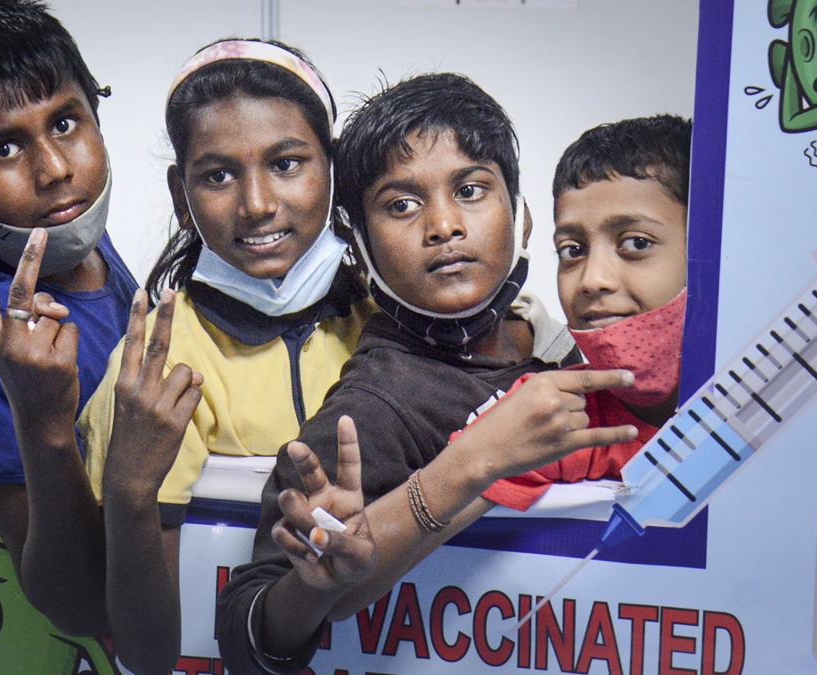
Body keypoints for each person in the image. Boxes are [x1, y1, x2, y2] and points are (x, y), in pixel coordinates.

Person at [216, 72, 639, 675]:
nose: (443, 225)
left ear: (520, 219)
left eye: (471, 190)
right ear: (360, 246)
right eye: (402, 205)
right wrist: (317, 585)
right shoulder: (373, 407)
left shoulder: (563, 336)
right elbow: (244, 635)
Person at [73, 38, 372, 675]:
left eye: (287, 163)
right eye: (218, 175)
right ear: (182, 196)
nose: (257, 203)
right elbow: (143, 652)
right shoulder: (155, 367)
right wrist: (130, 484)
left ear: (335, 169)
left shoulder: (390, 321)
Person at [0, 0, 136, 638]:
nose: (54, 170)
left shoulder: (72, 241)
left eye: (66, 123)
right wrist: (45, 423)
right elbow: (77, 609)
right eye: (3, 148)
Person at [481, 114, 693, 510]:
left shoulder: (775, 392)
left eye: (636, 242)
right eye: (572, 251)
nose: (592, 280)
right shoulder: (552, 418)